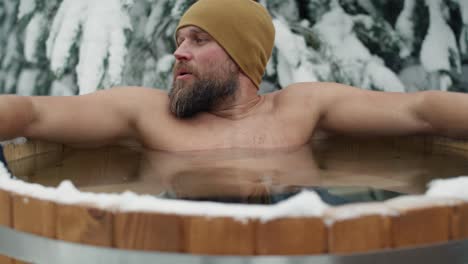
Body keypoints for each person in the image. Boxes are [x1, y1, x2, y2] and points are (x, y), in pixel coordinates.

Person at [1, 0, 467, 152]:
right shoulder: (148, 115)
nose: (179, 53)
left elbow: (421, 110)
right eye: (179, 41)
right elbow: (33, 114)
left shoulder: (299, 109)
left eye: (199, 40)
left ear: (244, 56)